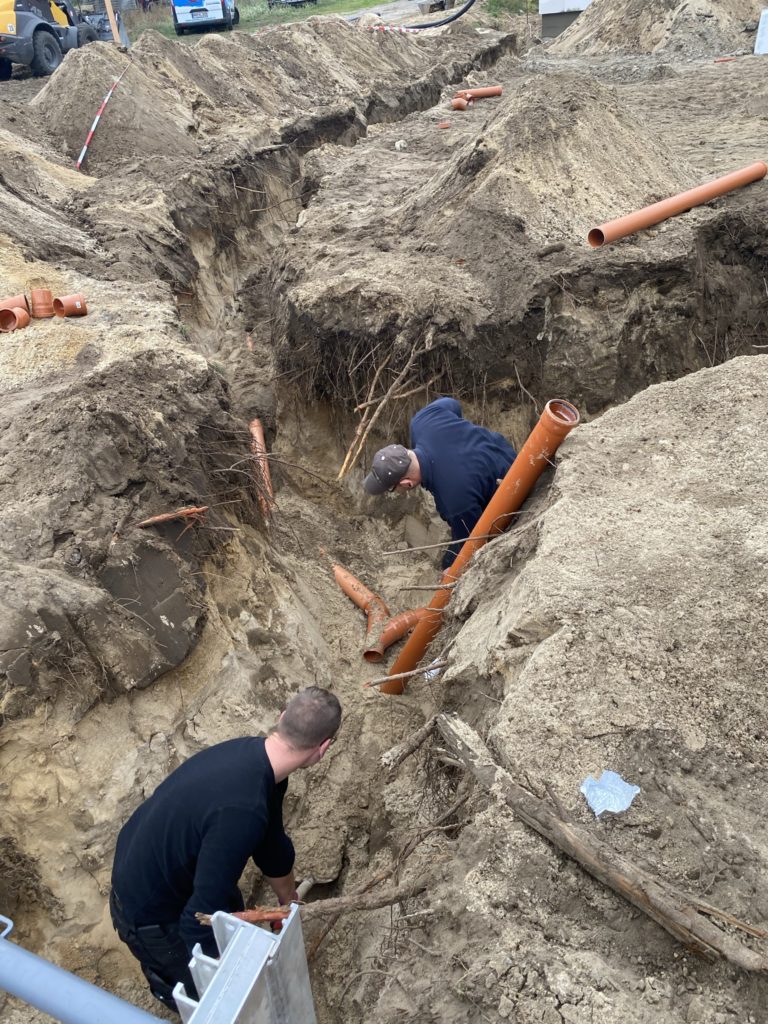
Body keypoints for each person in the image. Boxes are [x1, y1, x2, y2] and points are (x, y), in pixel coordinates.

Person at [109, 686, 342, 1013]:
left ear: (282, 718)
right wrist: (225, 987)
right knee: (209, 999)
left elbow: (272, 849)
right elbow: (198, 920)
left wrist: (287, 904)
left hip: (161, 864)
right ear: (324, 748)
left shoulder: (258, 763)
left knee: (228, 917)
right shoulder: (243, 812)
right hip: (148, 909)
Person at [363, 396, 517, 569]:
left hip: (513, 485)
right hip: (505, 450)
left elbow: (474, 543)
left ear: (407, 483)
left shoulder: (453, 500)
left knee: (449, 563)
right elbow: (453, 404)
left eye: (392, 488)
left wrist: (452, 569)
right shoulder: (422, 422)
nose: (393, 491)